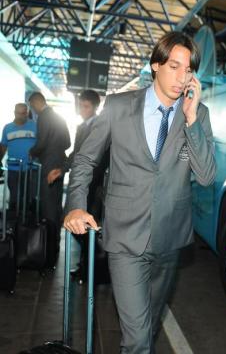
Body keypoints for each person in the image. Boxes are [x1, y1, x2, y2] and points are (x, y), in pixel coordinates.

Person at [64, 31, 216, 353]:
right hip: (125, 237)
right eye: (174, 66)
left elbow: (205, 176)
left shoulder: (197, 115)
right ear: (155, 65)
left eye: (188, 70)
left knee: (147, 327)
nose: (181, 76)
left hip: (170, 238)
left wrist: (191, 121)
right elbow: (85, 159)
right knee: (137, 338)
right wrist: (75, 205)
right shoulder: (119, 107)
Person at [48, 89, 109, 280]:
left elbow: (101, 158)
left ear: (95, 107)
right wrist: (62, 169)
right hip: (82, 184)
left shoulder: (102, 126)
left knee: (86, 227)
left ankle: (95, 268)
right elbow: (77, 153)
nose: (82, 109)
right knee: (77, 226)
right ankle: (88, 266)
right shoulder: (83, 127)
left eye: (86, 106)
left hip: (95, 184)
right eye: (81, 105)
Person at [29, 92, 71, 258]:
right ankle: (54, 243)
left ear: (36, 103)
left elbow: (42, 142)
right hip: (59, 162)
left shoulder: (44, 117)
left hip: (48, 165)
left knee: (48, 205)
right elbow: (67, 142)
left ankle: (49, 247)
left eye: (32, 106)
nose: (33, 110)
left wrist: (32, 151)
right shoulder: (58, 117)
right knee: (55, 202)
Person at [0, 103, 36, 212]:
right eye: (18, 113)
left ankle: (27, 222)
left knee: (28, 197)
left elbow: (41, 144)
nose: (20, 116)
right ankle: (13, 222)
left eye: (23, 113)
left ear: (27, 113)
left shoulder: (34, 126)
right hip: (13, 169)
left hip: (30, 169)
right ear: (14, 113)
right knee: (14, 197)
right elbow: (3, 147)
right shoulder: (7, 128)